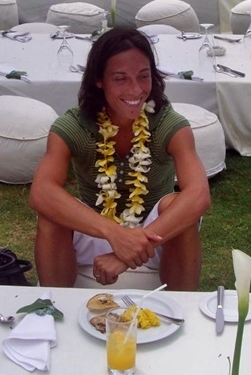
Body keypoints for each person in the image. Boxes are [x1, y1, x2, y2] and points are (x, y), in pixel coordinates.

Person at [30, 27, 211, 290]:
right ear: (99, 80)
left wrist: (131, 248)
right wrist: (115, 234)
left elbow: (199, 195)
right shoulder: (73, 126)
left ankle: (180, 312)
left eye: (143, 76)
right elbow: (41, 193)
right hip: (96, 226)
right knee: (51, 212)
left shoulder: (169, 124)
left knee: (178, 205)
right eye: (120, 78)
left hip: (156, 233)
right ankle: (54, 310)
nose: (135, 89)